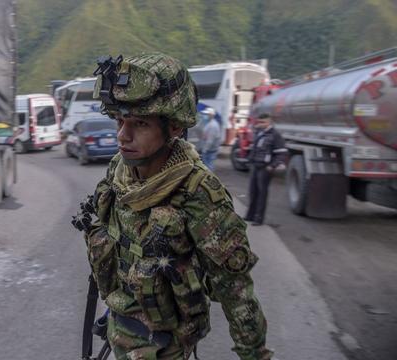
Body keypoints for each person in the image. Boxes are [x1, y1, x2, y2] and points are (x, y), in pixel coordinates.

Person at [82, 53, 273, 360]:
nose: (122, 135)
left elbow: (236, 292)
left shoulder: (198, 194)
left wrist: (255, 354)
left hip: (163, 346)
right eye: (119, 121)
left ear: (173, 127)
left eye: (140, 123)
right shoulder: (120, 169)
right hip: (118, 328)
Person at [245, 113, 287, 226]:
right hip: (255, 166)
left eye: (263, 122)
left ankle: (258, 218)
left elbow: (281, 153)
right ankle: (250, 215)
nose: (260, 124)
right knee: (253, 192)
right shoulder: (259, 133)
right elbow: (254, 149)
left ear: (270, 122)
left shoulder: (275, 135)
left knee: (262, 194)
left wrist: (272, 166)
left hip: (265, 168)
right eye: (259, 122)